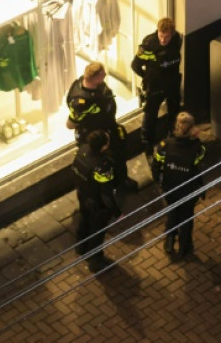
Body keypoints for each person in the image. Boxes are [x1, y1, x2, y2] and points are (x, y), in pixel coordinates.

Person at [66, 62, 138, 192]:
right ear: (95, 77)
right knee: (103, 163)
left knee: (119, 155)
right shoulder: (80, 101)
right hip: (96, 137)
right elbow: (70, 124)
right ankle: (104, 191)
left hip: (109, 128)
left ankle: (122, 180)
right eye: (102, 74)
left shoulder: (98, 85)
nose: (105, 75)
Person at [152, 112, 205, 259]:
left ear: (176, 126)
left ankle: (169, 243)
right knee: (186, 218)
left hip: (170, 187)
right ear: (192, 128)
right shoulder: (196, 147)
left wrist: (159, 181)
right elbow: (200, 159)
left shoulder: (166, 145)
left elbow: (156, 165)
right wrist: (196, 139)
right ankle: (185, 247)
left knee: (173, 213)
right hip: (188, 190)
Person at [72, 130, 122, 272]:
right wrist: (117, 212)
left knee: (84, 220)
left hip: (82, 195)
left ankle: (81, 247)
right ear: (103, 147)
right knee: (97, 231)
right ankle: (95, 260)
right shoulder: (103, 166)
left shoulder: (82, 150)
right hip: (96, 203)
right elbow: (106, 194)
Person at [131, 17, 183, 151]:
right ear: (157, 32)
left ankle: (173, 138)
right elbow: (135, 65)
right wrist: (146, 77)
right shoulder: (149, 44)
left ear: (172, 33)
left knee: (174, 111)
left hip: (172, 83)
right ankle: (147, 143)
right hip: (155, 86)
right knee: (150, 115)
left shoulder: (177, 39)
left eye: (166, 37)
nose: (163, 40)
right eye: (161, 36)